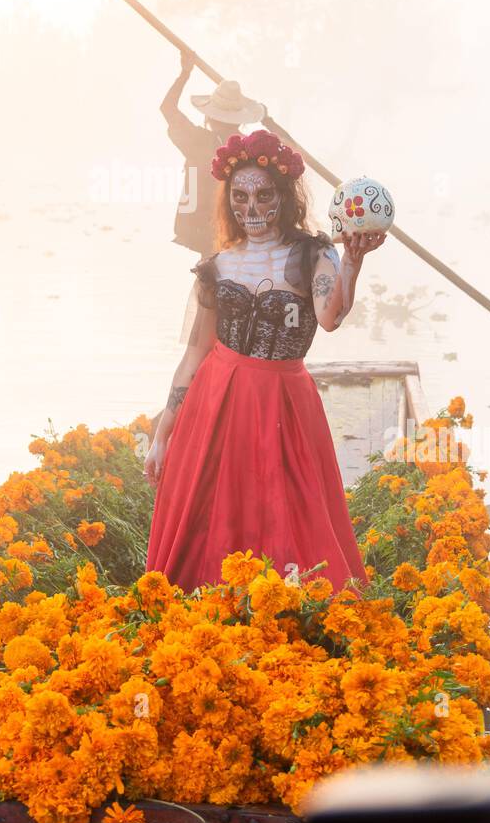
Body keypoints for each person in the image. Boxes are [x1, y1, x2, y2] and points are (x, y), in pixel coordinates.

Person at [143, 127, 386, 596]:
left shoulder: (313, 254)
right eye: (239, 196)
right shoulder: (218, 265)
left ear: (284, 196)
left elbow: (330, 318)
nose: (250, 209)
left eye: (262, 195)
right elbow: (195, 352)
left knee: (287, 505)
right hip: (216, 397)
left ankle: (288, 600)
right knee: (215, 506)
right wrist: (163, 432)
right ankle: (219, 603)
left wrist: (352, 266)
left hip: (283, 399)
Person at [161, 51, 270, 256]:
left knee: (209, 280)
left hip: (203, 231)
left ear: (210, 116)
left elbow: (167, 108)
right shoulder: (250, 148)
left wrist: (184, 73)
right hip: (239, 231)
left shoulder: (197, 141)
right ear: (239, 119)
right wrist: (268, 119)